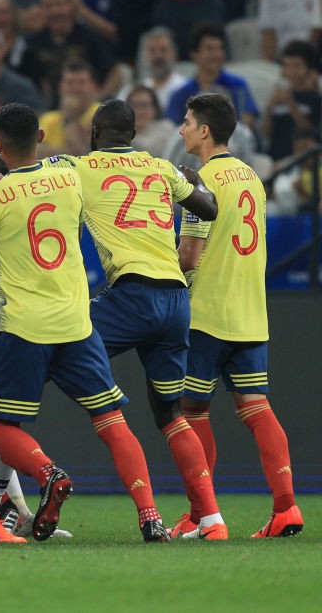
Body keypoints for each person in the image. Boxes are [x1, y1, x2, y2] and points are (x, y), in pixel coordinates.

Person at [0, 102, 168, 543]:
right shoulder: (71, 179)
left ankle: (48, 473)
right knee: (112, 422)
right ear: (40, 137)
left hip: (25, 329)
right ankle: (151, 518)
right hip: (77, 324)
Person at [56, 99, 228, 539]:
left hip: (131, 296)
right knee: (170, 412)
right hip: (175, 300)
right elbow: (208, 208)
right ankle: (212, 519)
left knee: (44, 354)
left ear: (96, 133)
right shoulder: (160, 167)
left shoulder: (80, 167)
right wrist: (189, 182)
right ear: (133, 136)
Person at [176, 93, 304, 539]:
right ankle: (286, 508)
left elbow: (189, 258)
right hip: (251, 312)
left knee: (191, 412)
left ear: (205, 130)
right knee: (257, 408)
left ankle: (201, 517)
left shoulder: (202, 181)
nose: (182, 129)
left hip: (207, 311)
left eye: (188, 122)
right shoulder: (252, 176)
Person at [165, 23, 258, 127]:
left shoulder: (237, 85)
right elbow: (172, 128)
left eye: (220, 48)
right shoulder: (181, 94)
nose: (217, 55)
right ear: (194, 54)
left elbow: (247, 122)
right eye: (210, 49)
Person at [260, 40, 322, 162]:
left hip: (304, 160)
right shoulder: (276, 96)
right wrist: (269, 107)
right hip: (276, 160)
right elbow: (265, 133)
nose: (291, 72)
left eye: (297, 66)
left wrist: (291, 104)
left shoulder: (315, 98)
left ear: (308, 69)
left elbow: (311, 133)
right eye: (287, 66)